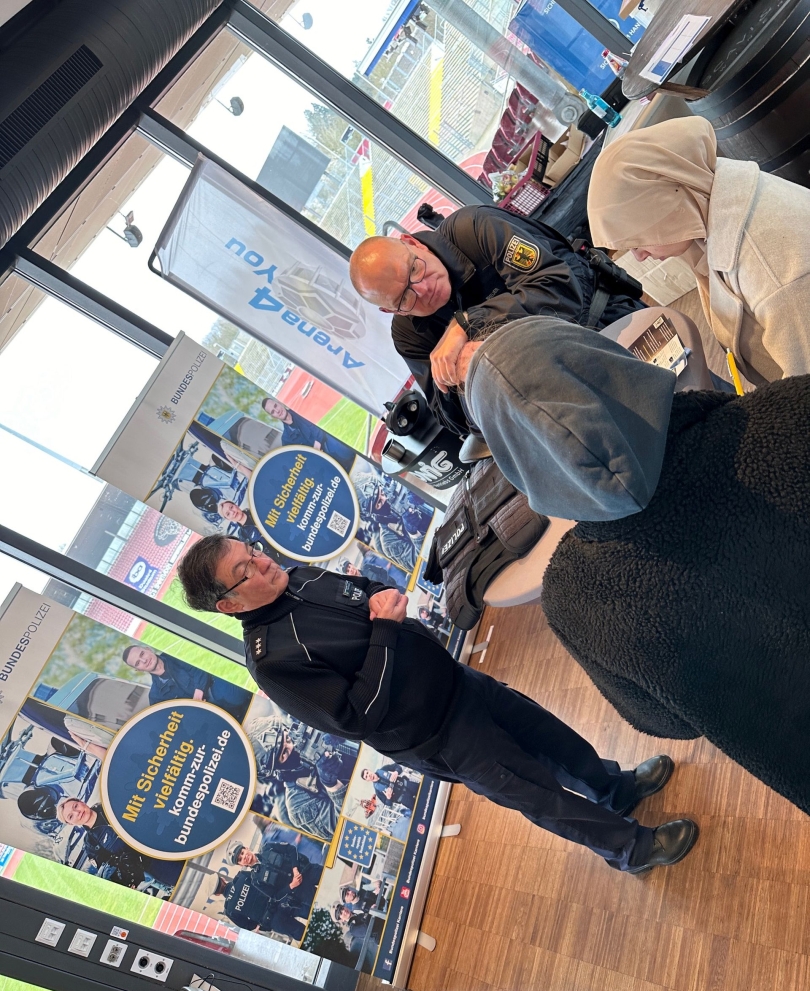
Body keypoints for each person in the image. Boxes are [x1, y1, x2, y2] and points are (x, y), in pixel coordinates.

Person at [175, 536, 698, 874]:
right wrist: (385, 630)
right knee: (539, 793)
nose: (262, 560)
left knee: (552, 736)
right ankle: (631, 849)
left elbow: (365, 590)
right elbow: (355, 716)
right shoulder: (272, 661)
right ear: (229, 603)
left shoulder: (300, 576)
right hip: (438, 736)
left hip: (458, 681)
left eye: (252, 551)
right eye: (245, 568)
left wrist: (382, 598)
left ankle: (615, 788)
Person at [457, 315, 810, 815]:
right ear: (610, 361)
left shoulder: (572, 599)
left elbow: (668, 723)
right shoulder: (790, 411)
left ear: (516, 461)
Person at [348, 206, 645, 436]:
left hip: (603, 325)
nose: (423, 289)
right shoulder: (409, 335)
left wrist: (468, 325)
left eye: (414, 269)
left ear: (413, 243)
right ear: (391, 311)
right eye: (404, 298)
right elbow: (455, 422)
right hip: (551, 401)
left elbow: (561, 291)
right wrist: (464, 379)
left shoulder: (474, 228)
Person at [587, 115, 810, 386]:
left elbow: (802, 388)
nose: (640, 256)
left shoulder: (776, 277)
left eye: (637, 242)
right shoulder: (706, 196)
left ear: (671, 205)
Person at [17, 790, 171, 894]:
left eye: (75, 806)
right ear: (71, 823)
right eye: (71, 816)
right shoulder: (91, 845)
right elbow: (113, 871)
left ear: (81, 802)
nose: (77, 812)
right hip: (160, 869)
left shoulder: (110, 803)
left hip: (167, 841)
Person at [244, 716, 352, 840]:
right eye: (284, 752)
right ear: (277, 769)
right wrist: (332, 786)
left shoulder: (309, 723)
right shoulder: (297, 805)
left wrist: (340, 729)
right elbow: (345, 829)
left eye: (288, 738)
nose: (292, 746)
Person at [216, 837, 319, 938]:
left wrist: (295, 870)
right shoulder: (253, 879)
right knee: (316, 911)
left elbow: (290, 849)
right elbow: (274, 895)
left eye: (242, 853)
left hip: (304, 875)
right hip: (295, 894)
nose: (244, 857)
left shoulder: (268, 848)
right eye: (240, 859)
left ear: (246, 848)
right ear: (240, 864)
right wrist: (291, 885)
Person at [122, 645, 253, 722]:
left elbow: (200, 666)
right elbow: (176, 721)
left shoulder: (175, 651)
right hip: (210, 717)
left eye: (142, 654)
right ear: (138, 670)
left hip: (219, 689)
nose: (144, 660)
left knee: (233, 693)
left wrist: (199, 692)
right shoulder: (156, 698)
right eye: (138, 663)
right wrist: (193, 710)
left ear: (148, 649)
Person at [261, 397, 356, 473]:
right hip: (325, 464)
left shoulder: (301, 408)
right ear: (273, 416)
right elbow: (301, 463)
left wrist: (317, 445)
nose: (277, 411)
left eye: (275, 406)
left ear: (279, 402)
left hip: (334, 445)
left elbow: (323, 420)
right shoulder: (286, 441)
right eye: (273, 411)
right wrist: (314, 456)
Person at [189, 489, 263, 544]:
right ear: (227, 519)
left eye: (231, 507)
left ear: (236, 505)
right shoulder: (243, 536)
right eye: (228, 514)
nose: (232, 512)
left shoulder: (256, 509)